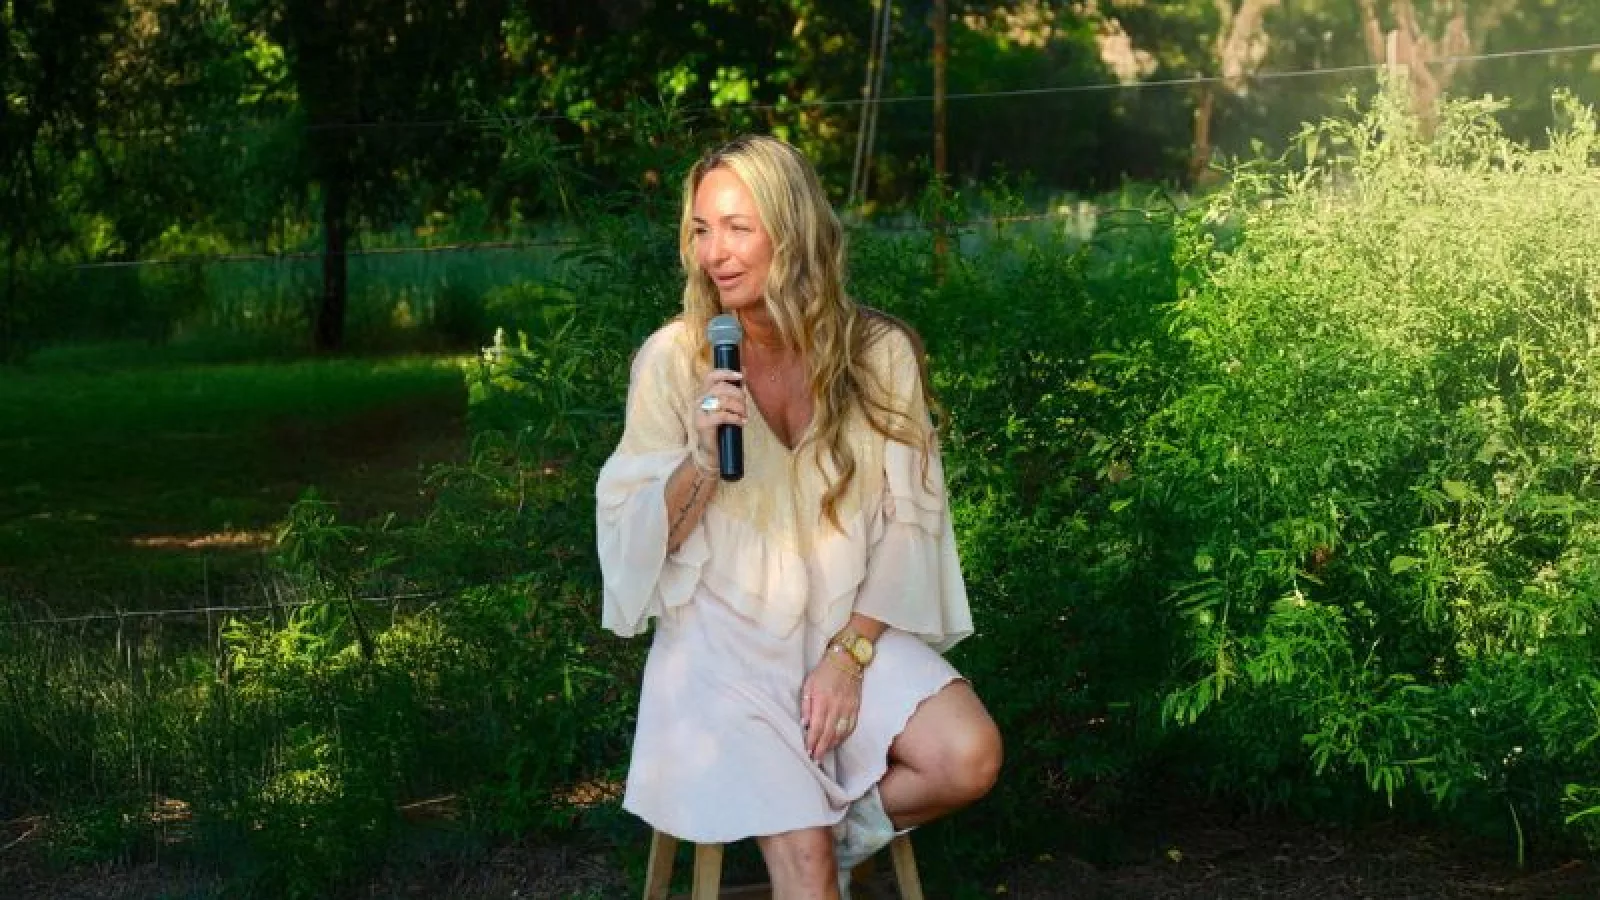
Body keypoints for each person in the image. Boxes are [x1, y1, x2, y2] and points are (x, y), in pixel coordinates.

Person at [596, 134, 1001, 900]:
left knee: (967, 755)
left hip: (845, 624)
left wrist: (850, 655)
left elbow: (911, 522)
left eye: (738, 227)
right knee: (808, 874)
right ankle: (814, 849)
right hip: (723, 646)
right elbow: (640, 541)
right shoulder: (674, 360)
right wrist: (701, 463)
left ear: (793, 230)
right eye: (701, 230)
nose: (715, 253)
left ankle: (842, 832)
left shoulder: (878, 353)